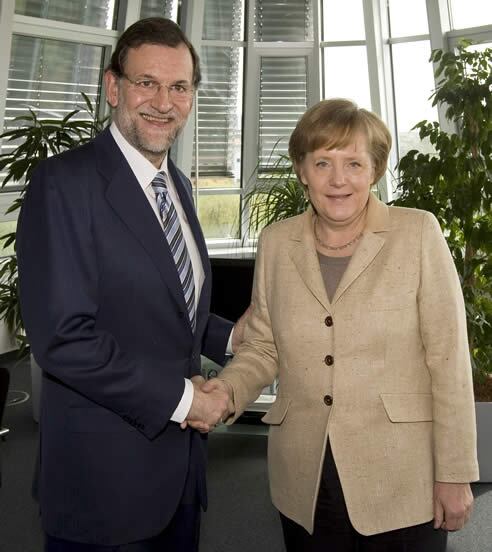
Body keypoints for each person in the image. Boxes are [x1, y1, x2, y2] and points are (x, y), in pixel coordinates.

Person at [198, 98, 479, 551]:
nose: (338, 179)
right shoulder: (277, 242)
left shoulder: (417, 233)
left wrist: (454, 472)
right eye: (323, 162)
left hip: (401, 476)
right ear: (302, 170)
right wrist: (227, 389)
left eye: (353, 162)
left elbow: (448, 361)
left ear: (375, 169)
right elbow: (264, 345)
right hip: (305, 477)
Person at [17, 17, 244, 552]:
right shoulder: (64, 184)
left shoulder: (180, 186)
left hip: (180, 480)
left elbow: (168, 309)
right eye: (147, 82)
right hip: (105, 486)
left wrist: (233, 339)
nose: (163, 102)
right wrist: (187, 401)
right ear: (113, 86)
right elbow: (66, 339)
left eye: (179, 86)